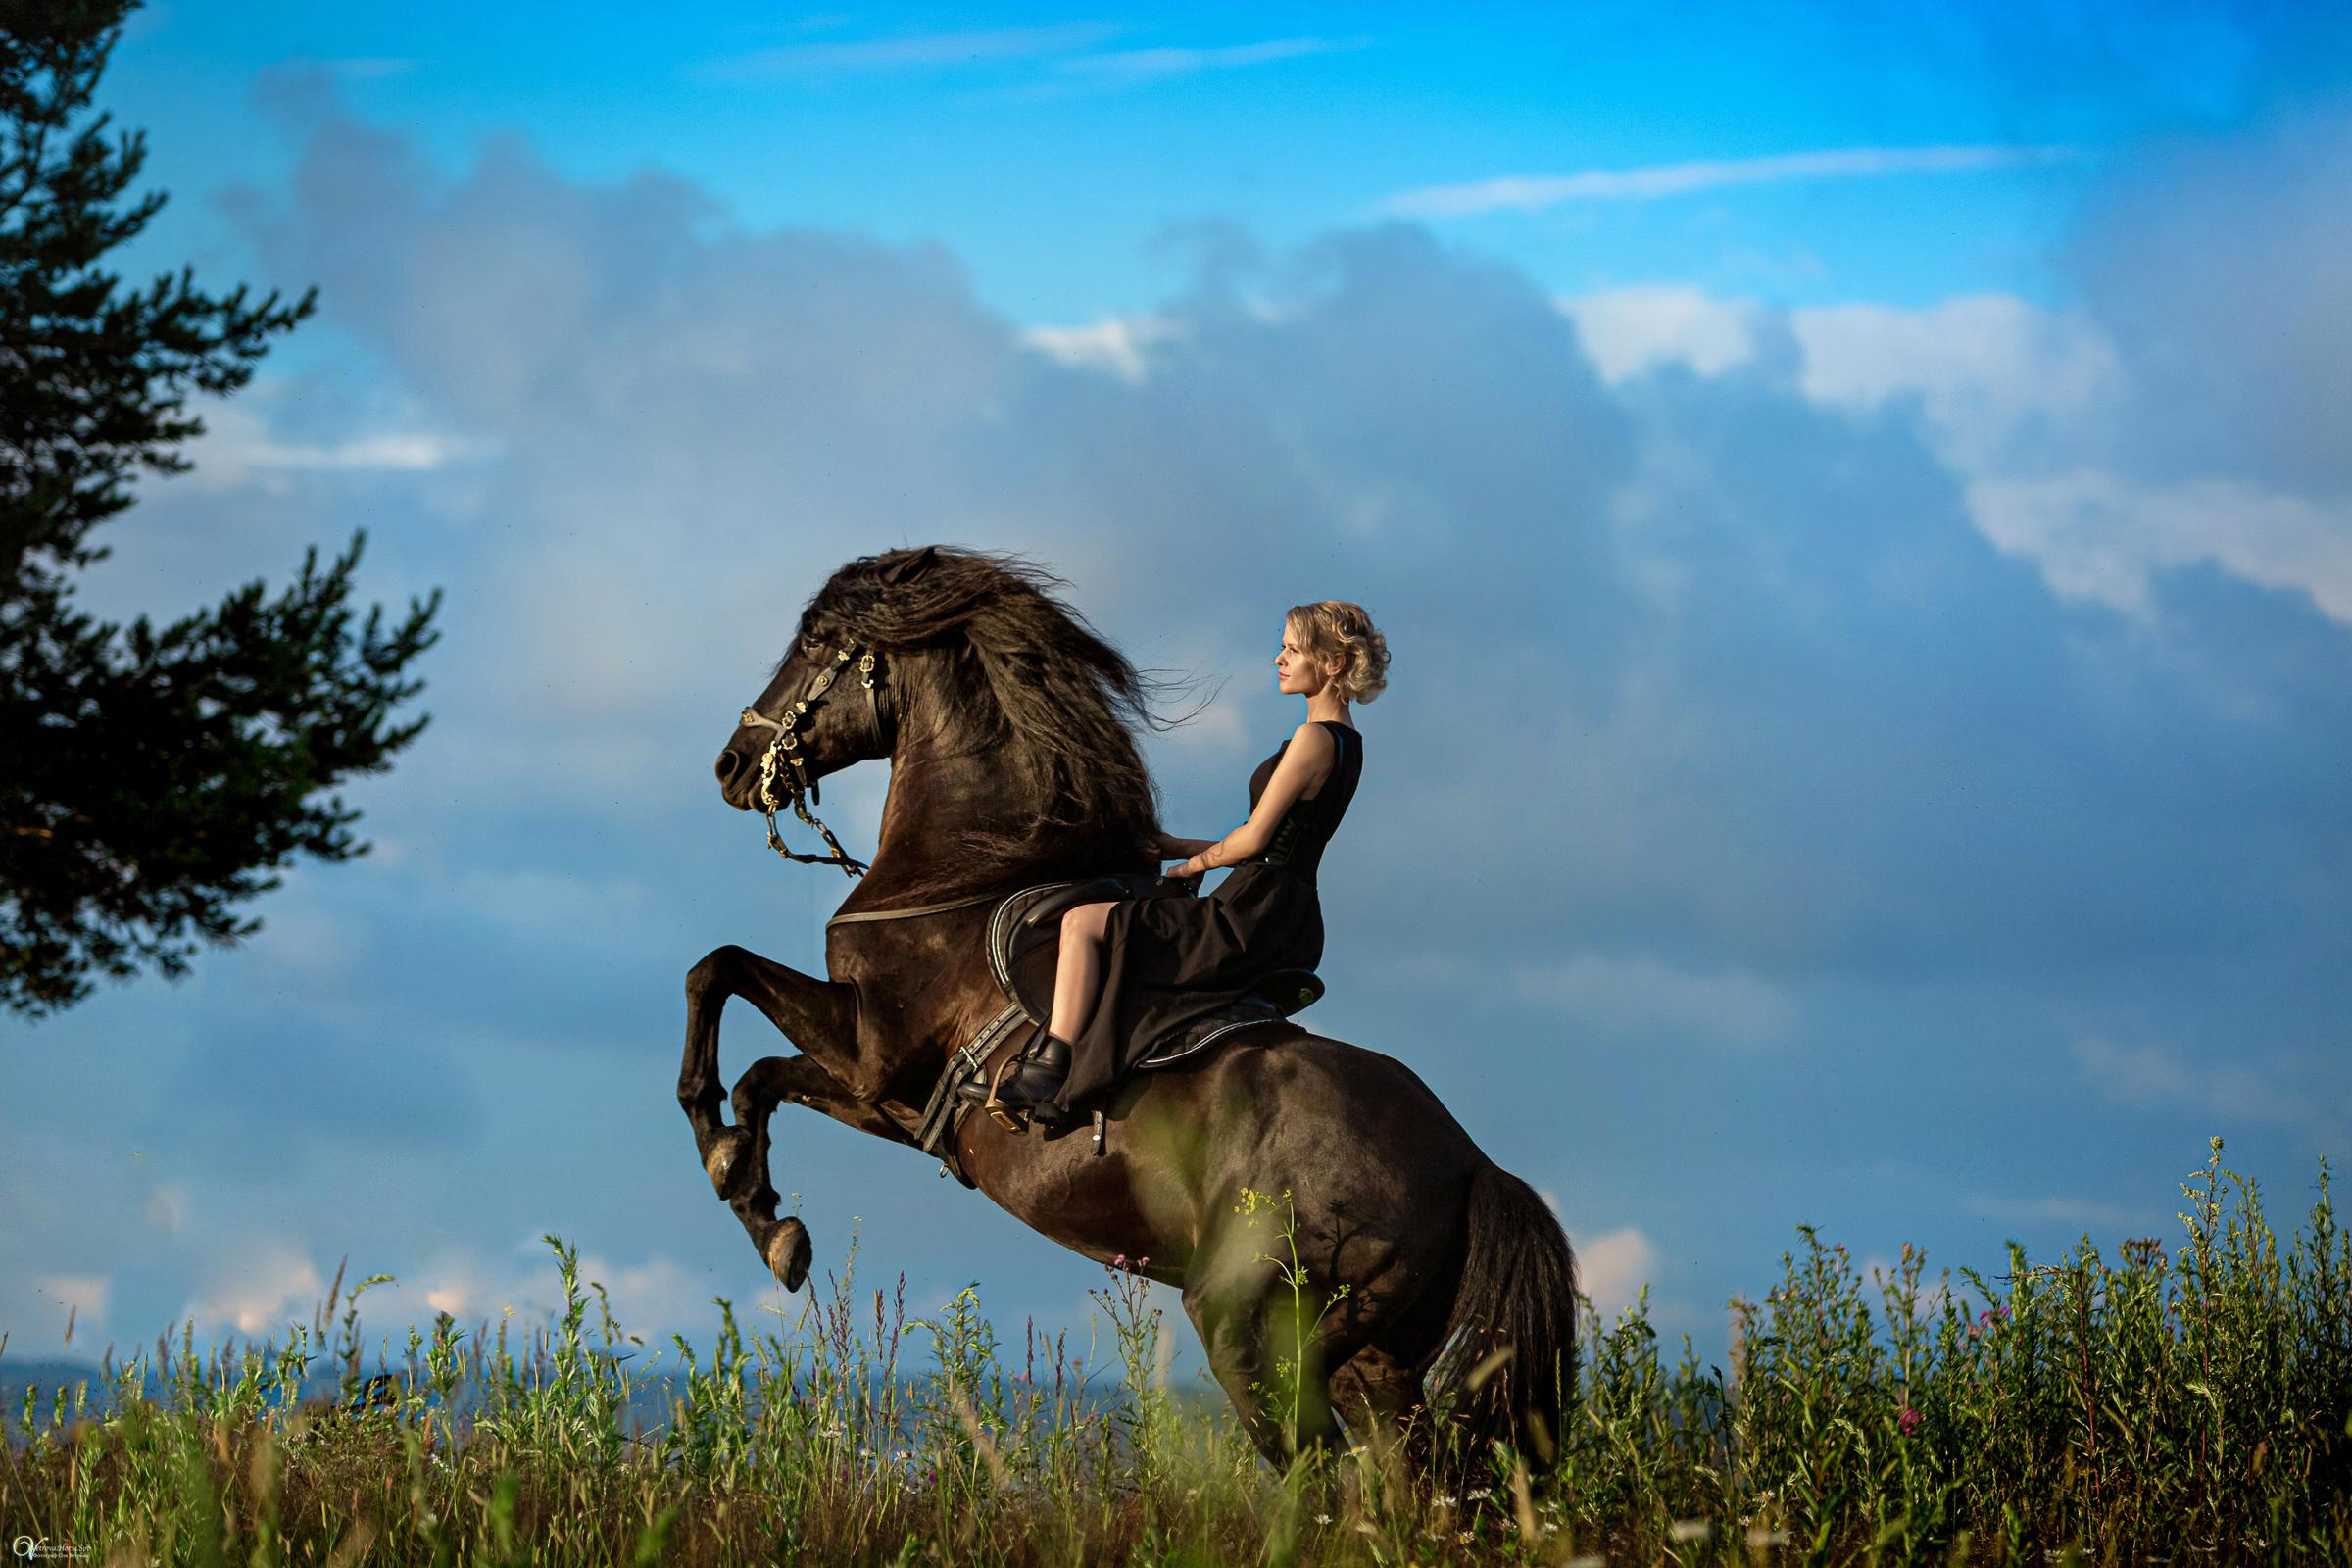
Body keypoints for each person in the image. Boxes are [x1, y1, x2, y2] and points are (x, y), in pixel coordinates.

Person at [984, 599, 1389, 1127]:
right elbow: (1277, 845)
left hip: (1249, 912)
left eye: (1291, 649)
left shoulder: (1313, 739)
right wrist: (1178, 846)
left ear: (1331, 663)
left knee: (1082, 922)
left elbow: (1252, 842)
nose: (1278, 659)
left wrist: (1188, 869)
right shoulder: (1347, 743)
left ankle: (1048, 1067)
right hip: (1284, 907)